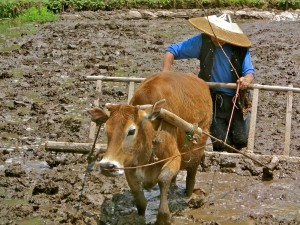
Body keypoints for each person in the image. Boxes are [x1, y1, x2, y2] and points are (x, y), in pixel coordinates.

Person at [162, 13, 255, 152]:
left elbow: (249, 72)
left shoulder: (240, 48)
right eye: (214, 33)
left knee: (241, 139)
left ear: (229, 34)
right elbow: (172, 51)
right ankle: (224, 164)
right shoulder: (203, 41)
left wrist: (246, 80)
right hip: (213, 98)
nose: (217, 38)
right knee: (220, 141)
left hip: (236, 99)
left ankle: (234, 160)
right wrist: (165, 73)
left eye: (222, 34)